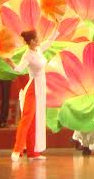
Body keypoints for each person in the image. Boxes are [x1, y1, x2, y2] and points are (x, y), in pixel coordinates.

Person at [6, 28, 59, 161]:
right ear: (30, 42)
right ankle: (17, 150)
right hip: (33, 87)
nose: (38, 41)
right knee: (27, 119)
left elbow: (50, 41)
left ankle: (33, 152)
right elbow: (19, 69)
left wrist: (56, 26)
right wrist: (10, 62)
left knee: (37, 119)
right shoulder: (27, 55)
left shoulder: (39, 50)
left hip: (41, 88)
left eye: (37, 38)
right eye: (35, 39)